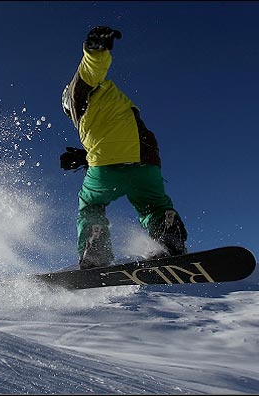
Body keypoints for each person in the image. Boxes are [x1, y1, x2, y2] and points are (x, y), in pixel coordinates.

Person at [60, 26, 188, 269]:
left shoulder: (78, 92)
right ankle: (169, 232)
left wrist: (95, 48)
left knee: (90, 205)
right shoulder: (115, 98)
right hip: (146, 161)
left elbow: (90, 68)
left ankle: (95, 245)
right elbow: (120, 134)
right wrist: (86, 156)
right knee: (154, 205)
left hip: (106, 165)